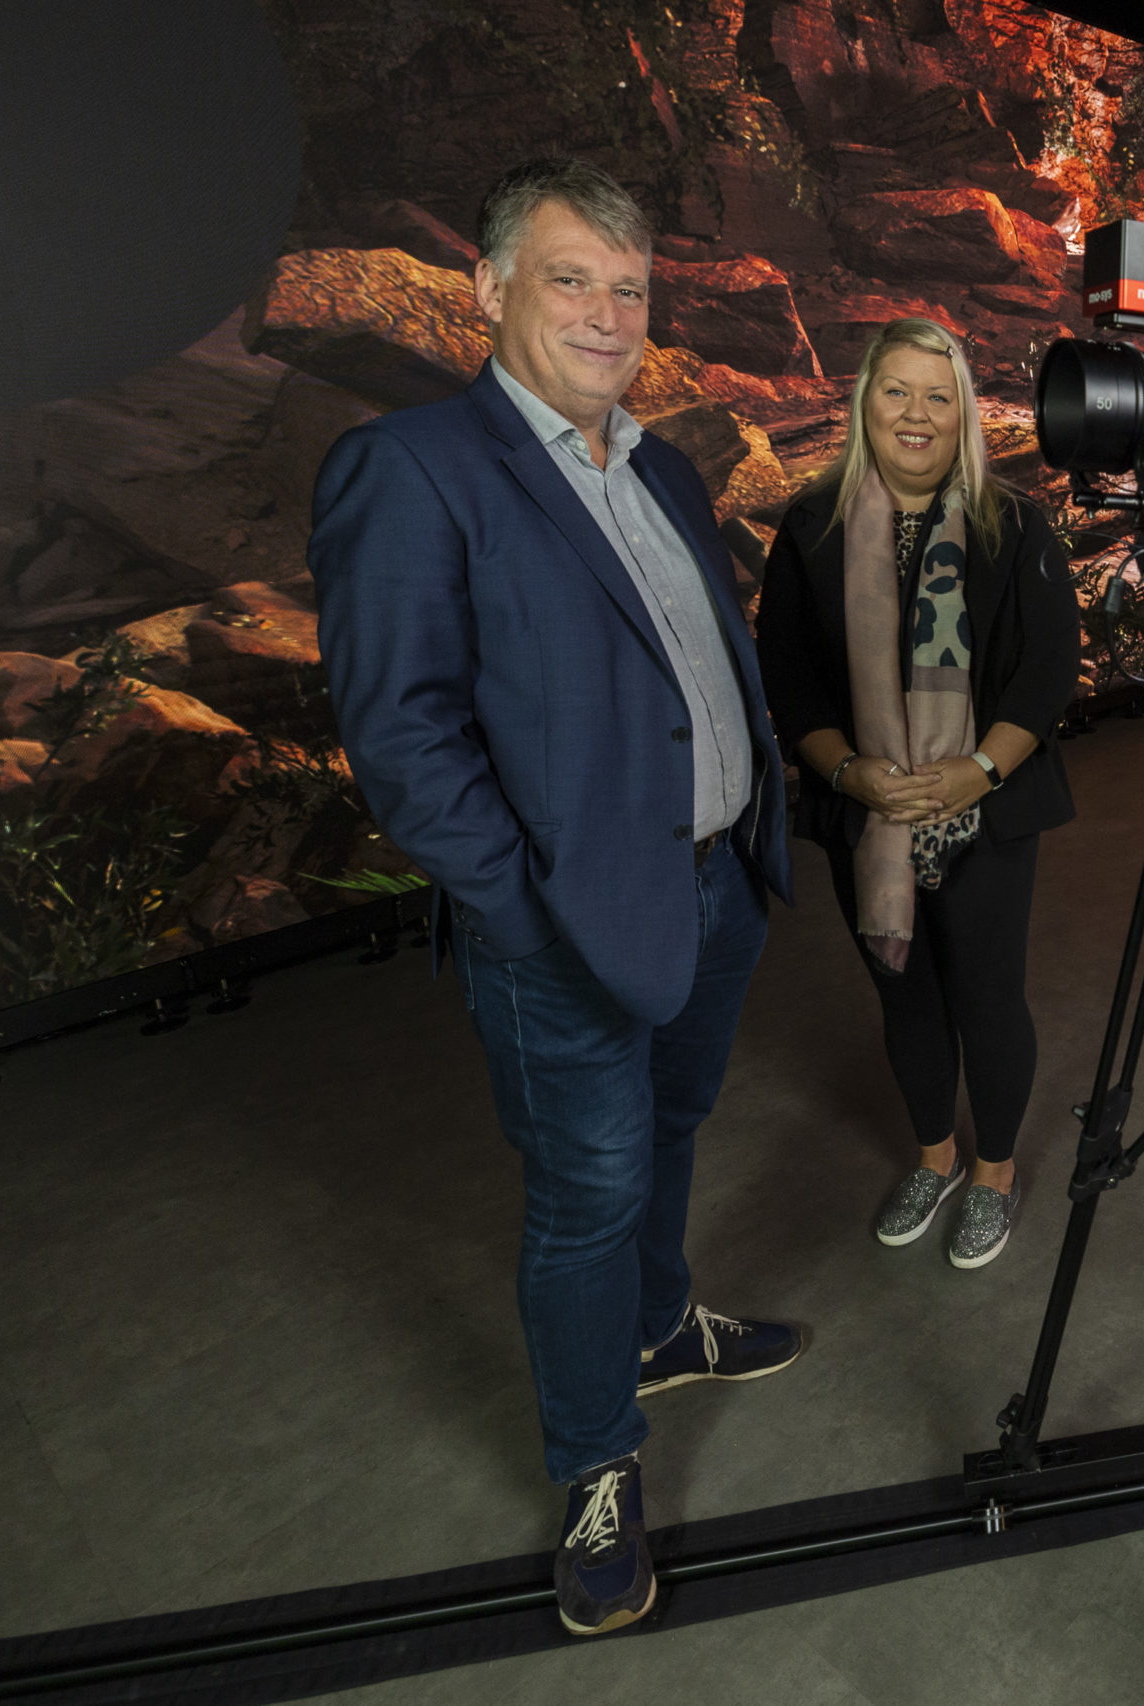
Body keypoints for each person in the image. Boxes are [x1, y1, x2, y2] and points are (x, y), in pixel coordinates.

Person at [310, 158, 805, 1638]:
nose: (607, 311)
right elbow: (400, 731)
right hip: (567, 925)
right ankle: (597, 1464)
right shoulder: (412, 468)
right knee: (584, 1197)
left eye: (631, 286)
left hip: (715, 888)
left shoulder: (654, 461)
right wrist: (519, 914)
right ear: (490, 289)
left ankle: (662, 1324)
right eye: (573, 278)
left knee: (670, 1125)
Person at [756, 318, 1082, 1271]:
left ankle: (992, 1172)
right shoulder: (811, 526)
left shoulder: (1011, 522)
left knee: (987, 996)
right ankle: (934, 1158)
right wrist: (851, 772)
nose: (915, 413)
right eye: (896, 391)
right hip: (863, 810)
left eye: (938, 397)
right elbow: (789, 677)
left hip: (990, 802)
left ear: (964, 416)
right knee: (907, 1000)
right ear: (865, 402)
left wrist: (976, 770)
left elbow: (1049, 669)